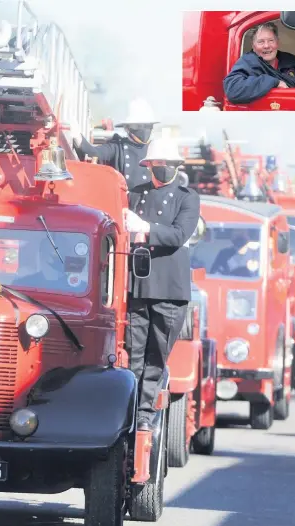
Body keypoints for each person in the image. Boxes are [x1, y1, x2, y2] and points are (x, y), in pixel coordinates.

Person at [122, 127, 201, 432]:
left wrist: (145, 226)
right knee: (133, 353)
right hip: (139, 285)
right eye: (157, 163)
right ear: (149, 165)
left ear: (176, 167)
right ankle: (128, 412)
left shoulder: (187, 198)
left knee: (157, 356)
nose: (161, 168)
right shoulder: (136, 193)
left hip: (169, 289)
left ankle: (144, 415)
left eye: (167, 163)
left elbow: (179, 234)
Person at [223, 22, 295, 105]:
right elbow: (233, 89)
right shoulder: (249, 61)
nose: (266, 46)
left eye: (271, 40)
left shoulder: (290, 60)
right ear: (254, 46)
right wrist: (274, 82)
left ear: (277, 42)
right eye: (261, 42)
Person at [70, 98, 159, 192]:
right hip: (123, 203)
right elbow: (94, 154)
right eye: (138, 126)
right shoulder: (117, 146)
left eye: (148, 126)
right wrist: (77, 137)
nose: (144, 130)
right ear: (127, 128)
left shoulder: (155, 149)